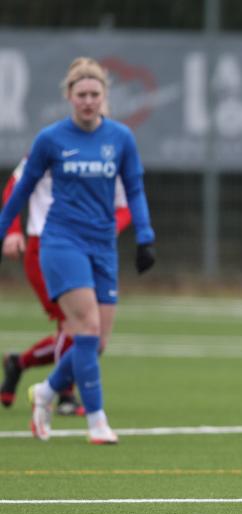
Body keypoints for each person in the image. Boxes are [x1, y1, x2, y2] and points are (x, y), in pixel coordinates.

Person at [0, 57, 156, 444]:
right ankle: (97, 421)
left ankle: (46, 392)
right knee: (85, 328)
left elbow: (134, 190)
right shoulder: (51, 139)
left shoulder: (120, 138)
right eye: (81, 94)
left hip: (102, 245)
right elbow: (20, 188)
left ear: (105, 97)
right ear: (69, 96)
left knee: (97, 341)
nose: (88, 101)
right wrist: (4, 230)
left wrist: (145, 236)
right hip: (60, 241)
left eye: (94, 94)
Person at [1, 149, 133, 416]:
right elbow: (14, 188)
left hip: (88, 248)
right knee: (75, 324)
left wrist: (109, 229)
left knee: (92, 334)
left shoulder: (108, 151)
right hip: (45, 247)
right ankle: (64, 394)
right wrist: (11, 231)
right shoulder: (52, 144)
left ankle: (21, 364)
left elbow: (127, 205)